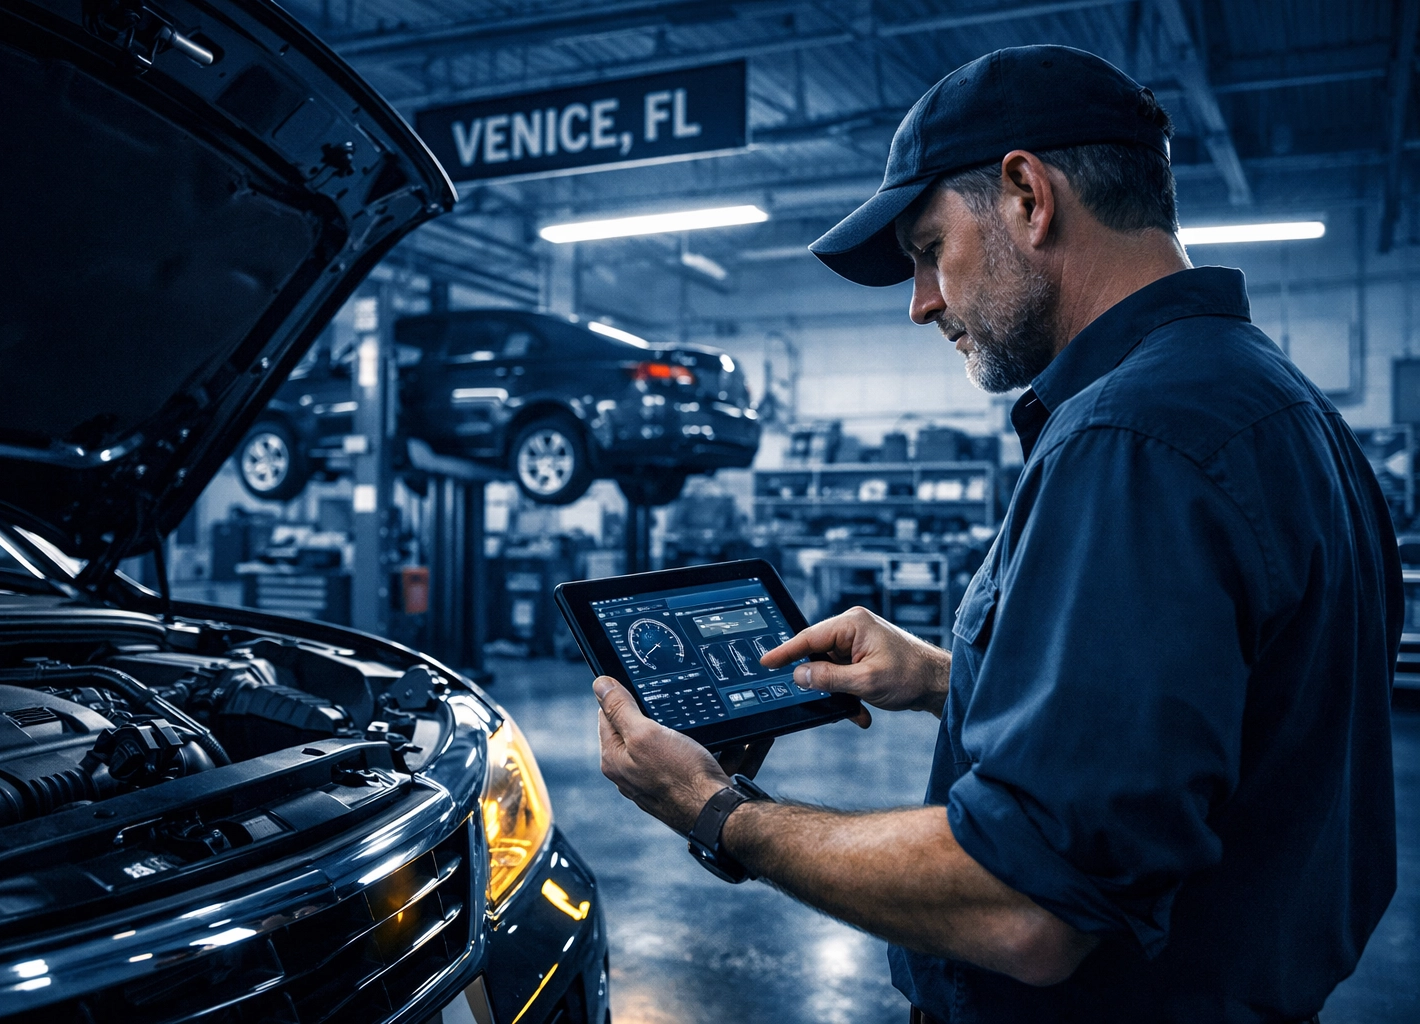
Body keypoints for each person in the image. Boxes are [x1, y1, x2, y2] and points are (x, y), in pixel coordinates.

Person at [593, 45, 1400, 1024]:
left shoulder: (1132, 438)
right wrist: (948, 676)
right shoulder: (1275, 405)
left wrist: (717, 811)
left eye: (931, 250)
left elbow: (1027, 904)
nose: (922, 301)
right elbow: (1219, 712)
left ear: (1027, 196)